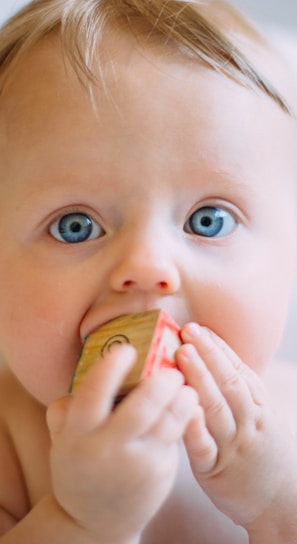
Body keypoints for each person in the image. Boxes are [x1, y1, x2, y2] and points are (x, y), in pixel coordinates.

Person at [0, 0, 296, 542]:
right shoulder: (8, 447)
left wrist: (280, 502)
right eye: (75, 226)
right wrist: (80, 521)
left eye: (208, 221)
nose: (147, 267)